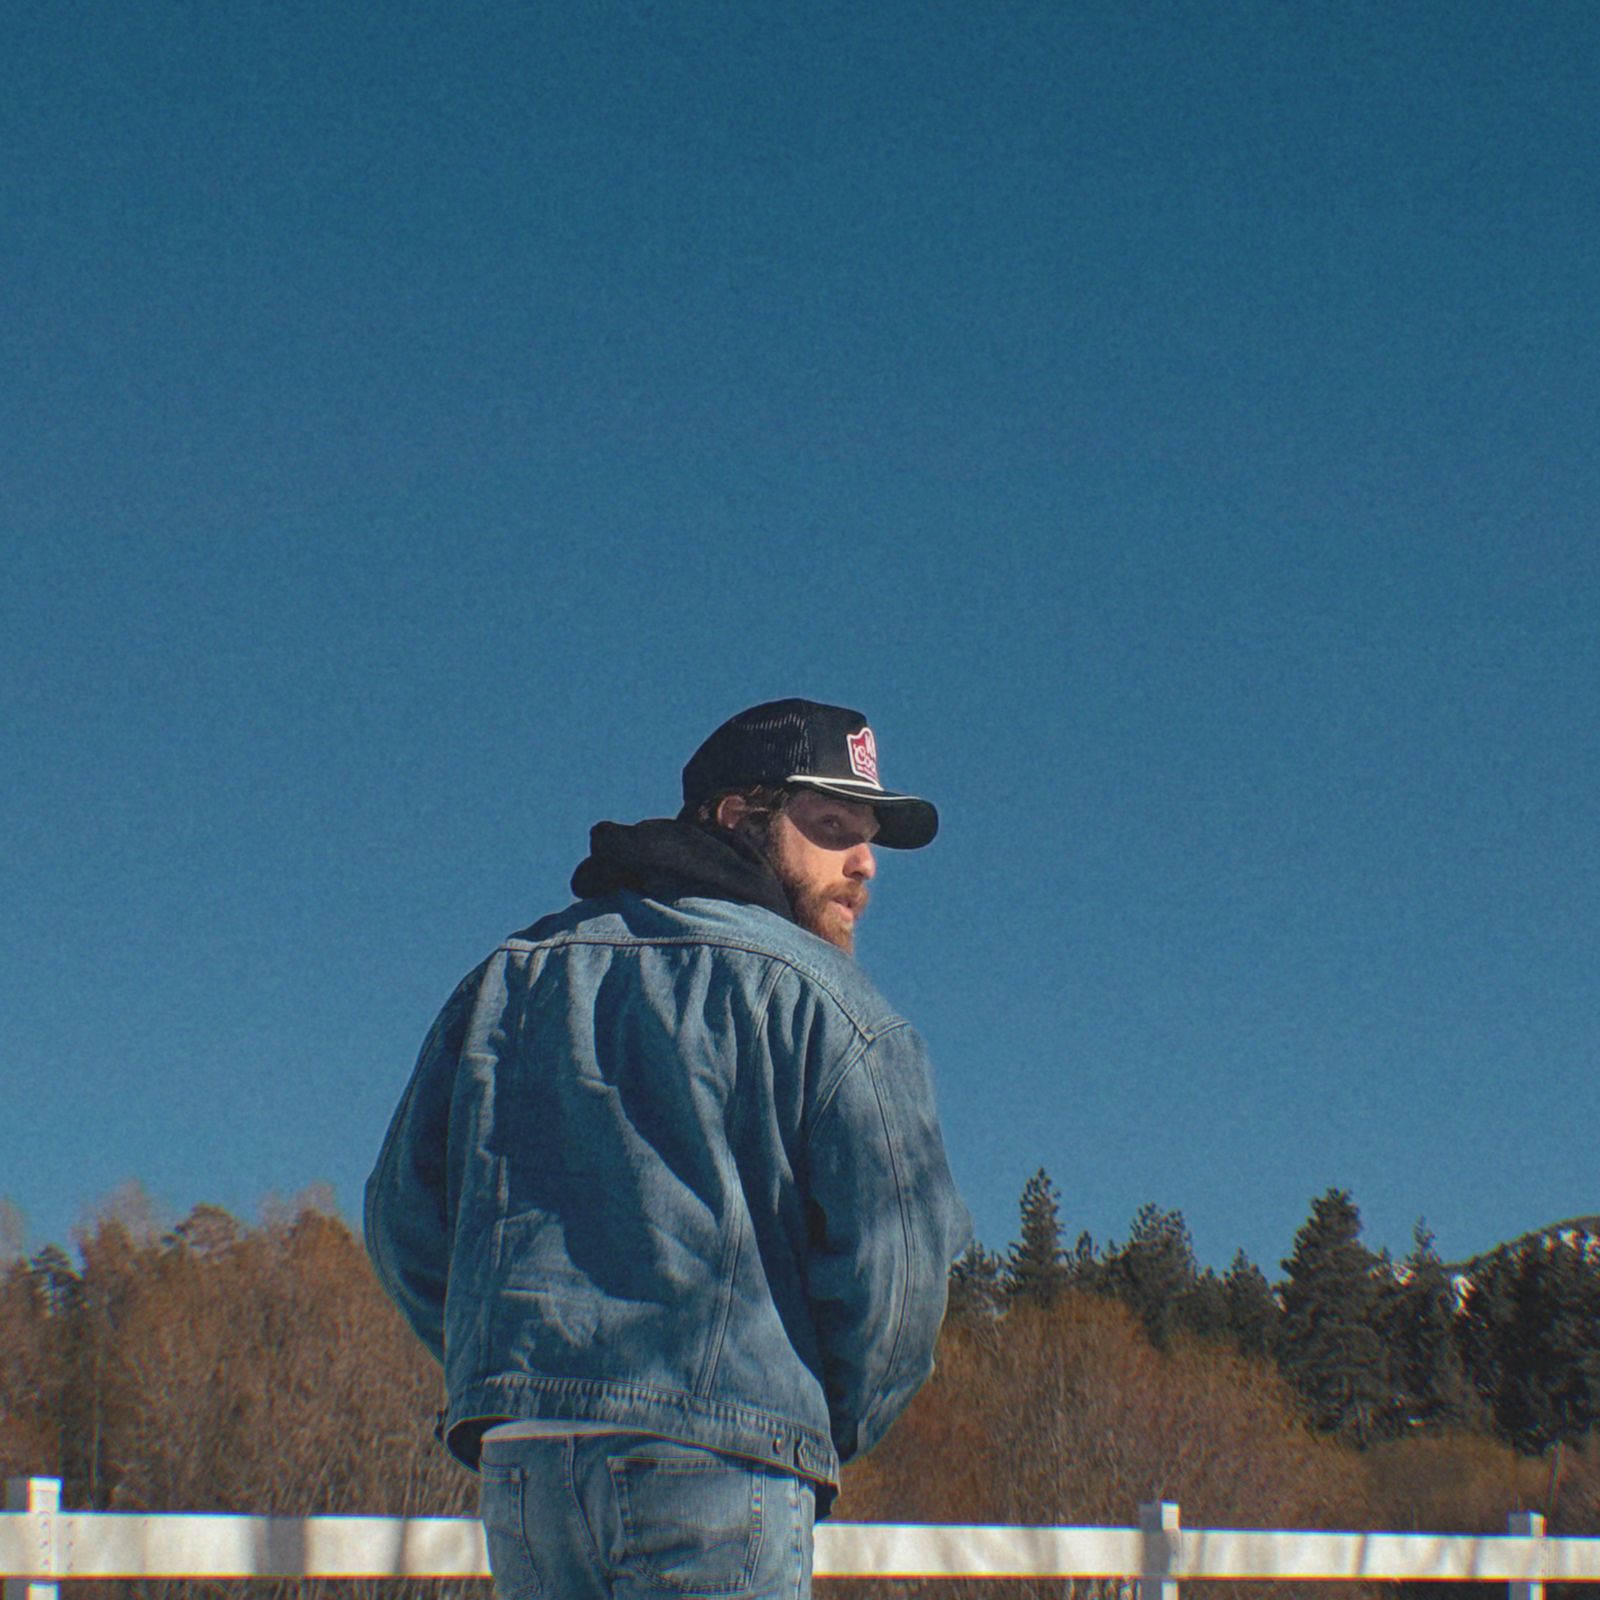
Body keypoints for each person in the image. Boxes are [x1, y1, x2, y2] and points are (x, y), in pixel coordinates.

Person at [364, 698, 971, 1600]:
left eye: (870, 837)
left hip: (528, 1469)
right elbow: (897, 1286)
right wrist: (801, 1421)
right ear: (735, 816)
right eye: (833, 827)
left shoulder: (510, 978)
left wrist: (518, 1366)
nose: (865, 863)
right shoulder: (838, 1014)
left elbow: (402, 1222)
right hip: (721, 1469)